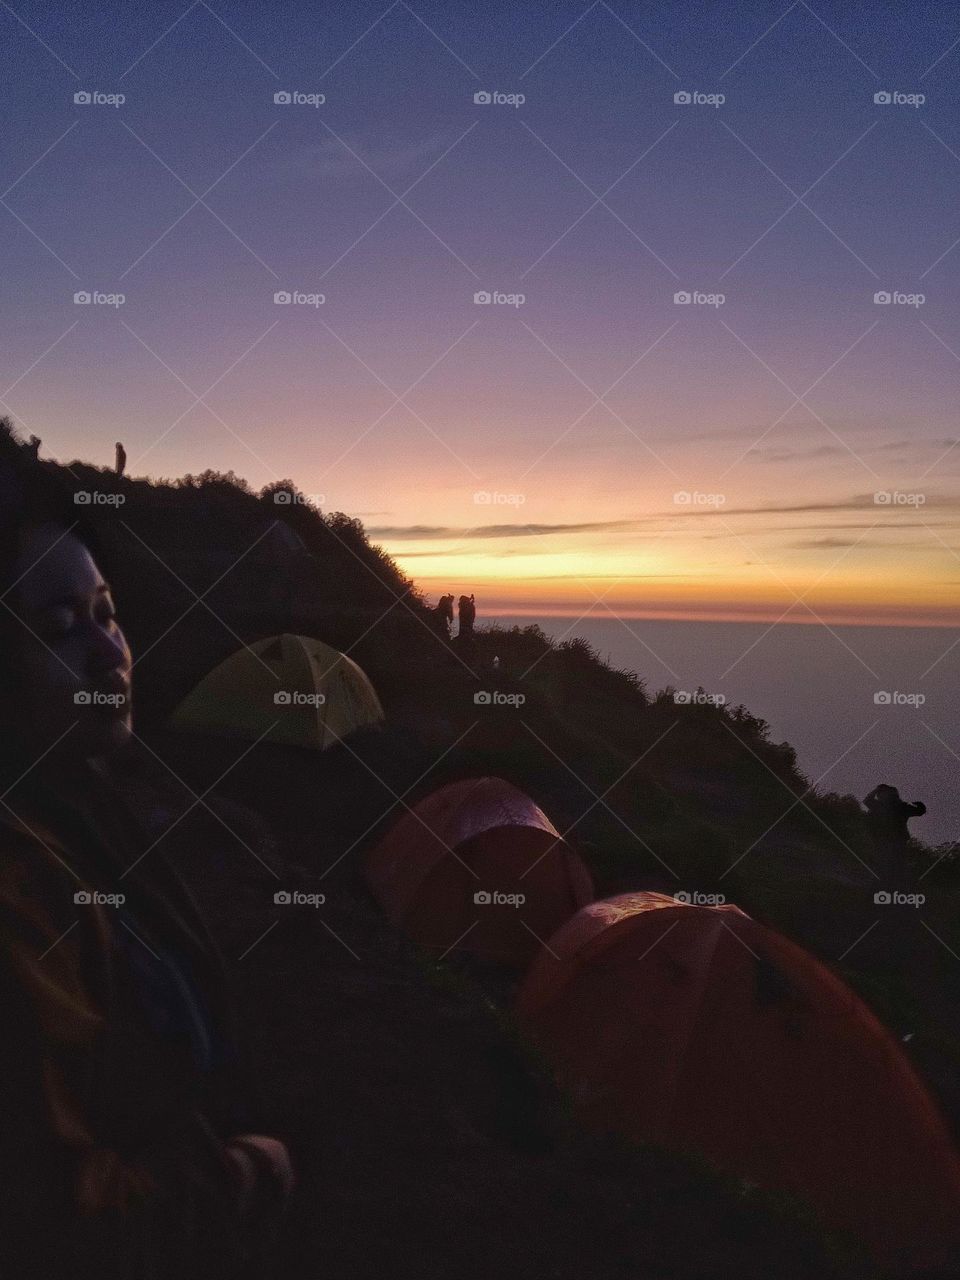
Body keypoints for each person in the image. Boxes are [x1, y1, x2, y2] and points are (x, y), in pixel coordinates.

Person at [0, 443, 293, 1278]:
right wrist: (242, 1178)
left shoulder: (79, 800)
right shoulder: (17, 882)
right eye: (58, 629)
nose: (108, 653)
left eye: (107, 612)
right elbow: (54, 1219)